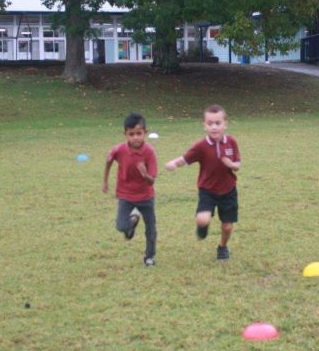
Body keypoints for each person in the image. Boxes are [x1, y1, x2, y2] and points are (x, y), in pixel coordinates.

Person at [165, 104, 241, 260]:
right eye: (210, 123)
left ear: (225, 124)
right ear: (204, 125)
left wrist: (231, 165)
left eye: (218, 123)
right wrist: (174, 164)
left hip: (228, 190)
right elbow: (186, 158)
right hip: (207, 190)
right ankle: (203, 228)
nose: (214, 127)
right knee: (202, 218)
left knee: (227, 226)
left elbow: (238, 165)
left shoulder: (231, 142)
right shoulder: (202, 146)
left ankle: (222, 247)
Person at [103, 113, 157, 267]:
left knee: (151, 228)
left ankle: (149, 256)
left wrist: (145, 174)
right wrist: (105, 181)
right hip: (125, 195)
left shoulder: (149, 152)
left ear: (145, 132)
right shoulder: (119, 149)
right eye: (131, 134)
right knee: (120, 226)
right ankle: (132, 221)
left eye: (139, 134)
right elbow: (108, 161)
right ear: (125, 134)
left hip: (146, 196)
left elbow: (152, 180)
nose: (135, 138)